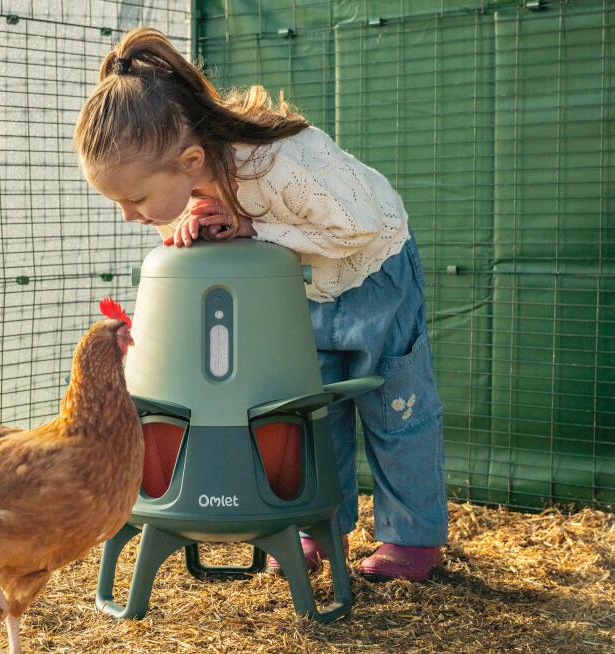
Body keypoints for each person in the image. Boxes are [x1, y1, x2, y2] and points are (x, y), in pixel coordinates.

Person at [74, 28, 447, 582]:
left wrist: (252, 225)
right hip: (304, 291)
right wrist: (198, 231)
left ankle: (413, 540)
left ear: (191, 158)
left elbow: (359, 227)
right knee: (309, 409)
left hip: (375, 274)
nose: (130, 214)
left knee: (396, 409)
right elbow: (236, 233)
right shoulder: (196, 177)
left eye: (135, 199)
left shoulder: (277, 162)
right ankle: (318, 526)